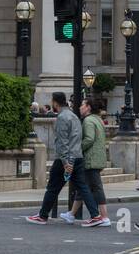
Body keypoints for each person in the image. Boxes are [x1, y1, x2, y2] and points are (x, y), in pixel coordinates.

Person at [25, 92, 100, 226]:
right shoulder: (74, 116)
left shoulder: (62, 118)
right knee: (83, 187)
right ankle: (95, 215)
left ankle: (42, 216)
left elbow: (62, 141)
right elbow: (78, 138)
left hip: (65, 159)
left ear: (54, 102)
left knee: (53, 187)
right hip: (78, 157)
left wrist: (66, 162)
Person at [64, 97, 110, 226]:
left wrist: (77, 149)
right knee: (83, 186)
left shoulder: (88, 121)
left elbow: (89, 139)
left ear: (88, 107)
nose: (80, 107)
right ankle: (71, 214)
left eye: (83, 105)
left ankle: (104, 217)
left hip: (91, 158)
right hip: (97, 157)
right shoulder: (97, 119)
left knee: (96, 187)